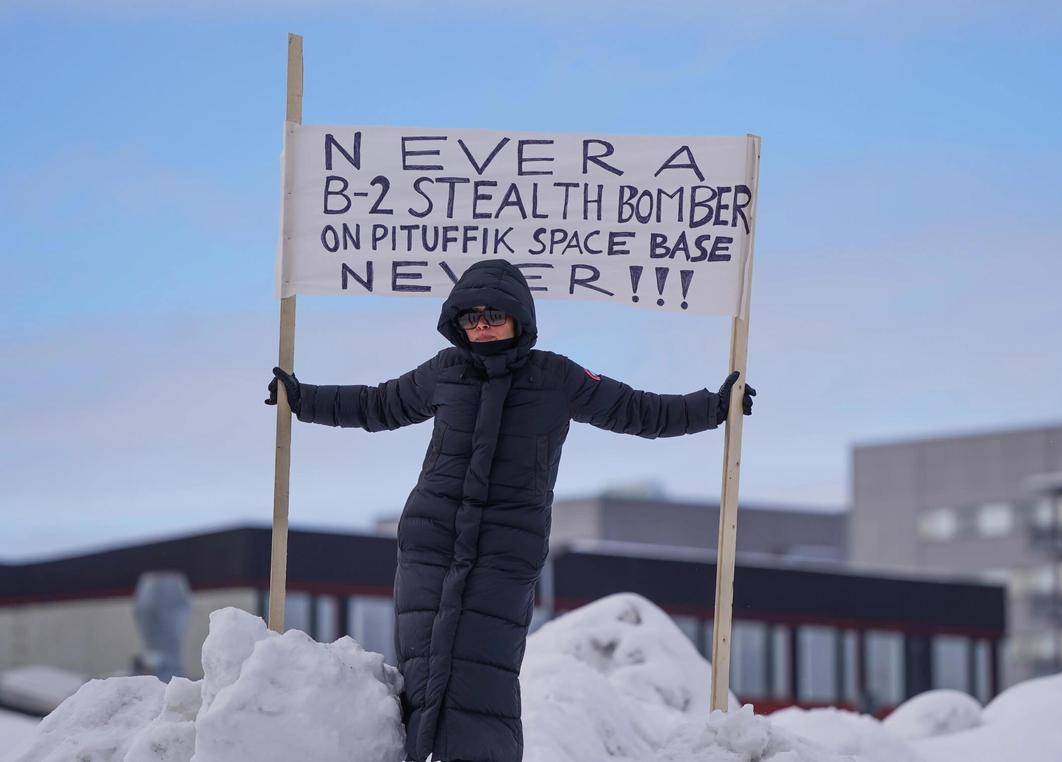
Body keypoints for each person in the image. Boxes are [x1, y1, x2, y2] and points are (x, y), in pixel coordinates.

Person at [265, 258, 755, 762]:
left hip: (505, 549)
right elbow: (375, 405)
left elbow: (638, 410)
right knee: (424, 667)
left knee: (484, 675)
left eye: (492, 316)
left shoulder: (557, 377)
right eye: (470, 318)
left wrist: (713, 407)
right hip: (431, 543)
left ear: (519, 318)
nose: (481, 327)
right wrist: (301, 399)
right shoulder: (444, 371)